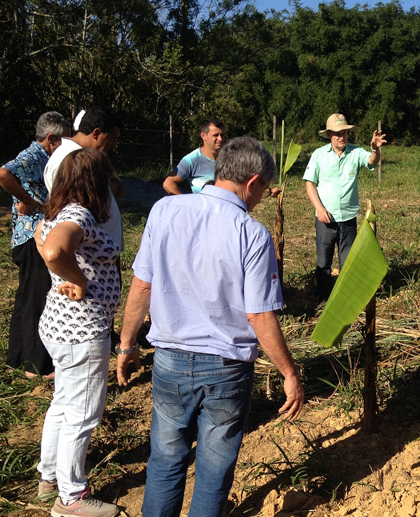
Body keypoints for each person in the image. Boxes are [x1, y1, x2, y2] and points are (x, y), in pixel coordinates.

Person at [115, 136, 304, 517]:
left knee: (165, 462)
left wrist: (126, 343)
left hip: (168, 361)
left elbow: (142, 285)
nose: (262, 198)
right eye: (264, 190)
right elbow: (258, 314)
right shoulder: (252, 234)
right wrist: (289, 372)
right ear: (252, 182)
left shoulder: (165, 210)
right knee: (214, 471)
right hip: (226, 371)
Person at [34, 149, 122, 517]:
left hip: (59, 326)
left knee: (64, 402)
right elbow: (53, 250)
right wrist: (79, 280)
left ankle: (49, 476)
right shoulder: (80, 215)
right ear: (93, 182)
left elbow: (41, 240)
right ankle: (71, 498)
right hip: (81, 331)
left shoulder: (57, 212)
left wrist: (66, 275)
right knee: (82, 413)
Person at [0, 112, 71, 379]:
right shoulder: (34, 156)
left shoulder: (44, 157)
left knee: (26, 296)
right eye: (62, 140)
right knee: (36, 298)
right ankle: (35, 365)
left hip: (29, 237)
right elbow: (4, 173)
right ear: (50, 138)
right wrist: (27, 200)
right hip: (32, 237)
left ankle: (16, 357)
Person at [303, 113, 386, 301]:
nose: (342, 137)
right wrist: (320, 208)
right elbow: (309, 183)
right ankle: (322, 296)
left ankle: (345, 297)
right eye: (337, 133)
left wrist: (375, 149)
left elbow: (372, 161)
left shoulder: (355, 153)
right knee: (323, 261)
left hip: (348, 218)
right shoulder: (319, 155)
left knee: (347, 261)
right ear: (329, 135)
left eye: (345, 133)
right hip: (325, 219)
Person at [44, 106, 124, 252]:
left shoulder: (88, 158)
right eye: (111, 139)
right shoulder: (67, 160)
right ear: (96, 133)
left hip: (101, 252)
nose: (114, 145)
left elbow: (117, 188)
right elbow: (70, 212)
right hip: (87, 257)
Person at [163, 118, 224, 194]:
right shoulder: (192, 159)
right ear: (203, 136)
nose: (220, 139)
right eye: (216, 135)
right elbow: (168, 183)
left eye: (222, 135)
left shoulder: (227, 158)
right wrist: (186, 203)